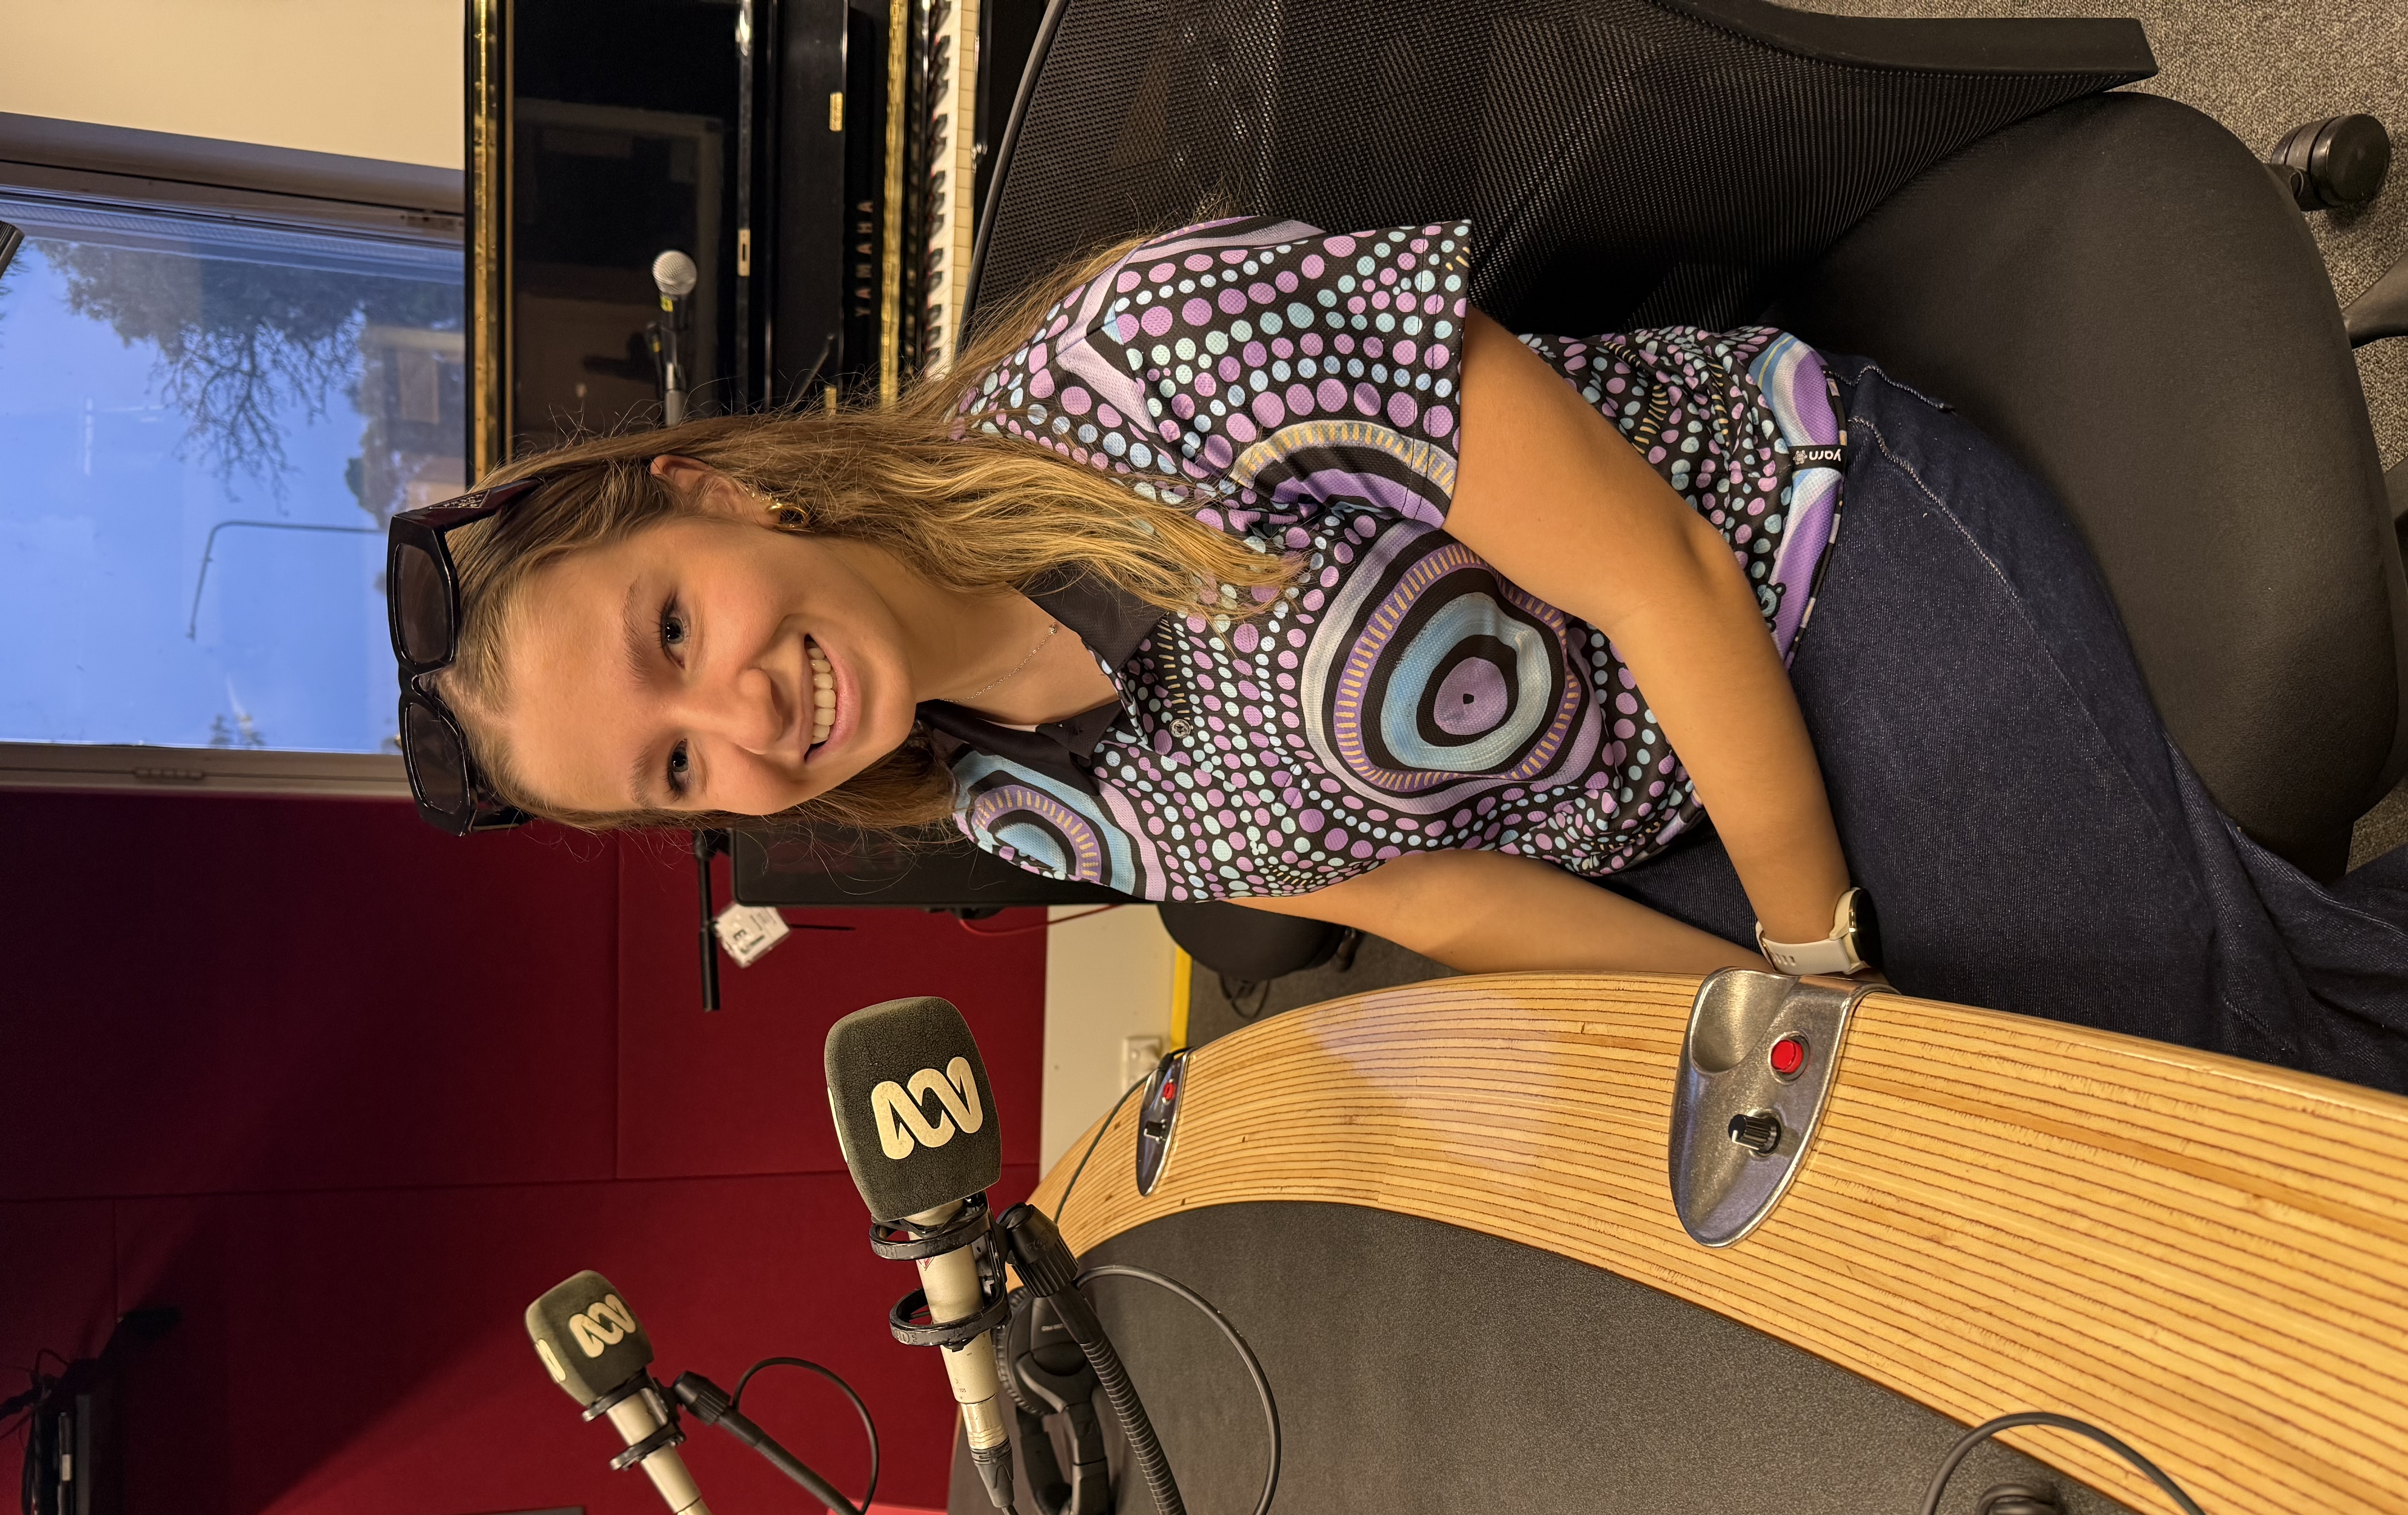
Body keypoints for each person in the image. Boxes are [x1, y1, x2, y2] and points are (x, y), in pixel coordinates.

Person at [388, 216, 2408, 1092]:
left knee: (2199, 1072)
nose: (739, 716)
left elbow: (1665, 577)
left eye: (672, 631)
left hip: (1803, 563)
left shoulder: (1159, 355)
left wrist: (1814, 957)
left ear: (719, 490)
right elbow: (1426, 896)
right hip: (1664, 829)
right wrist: (1771, 1035)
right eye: (675, 768)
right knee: (1966, 1154)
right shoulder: (1011, 809)